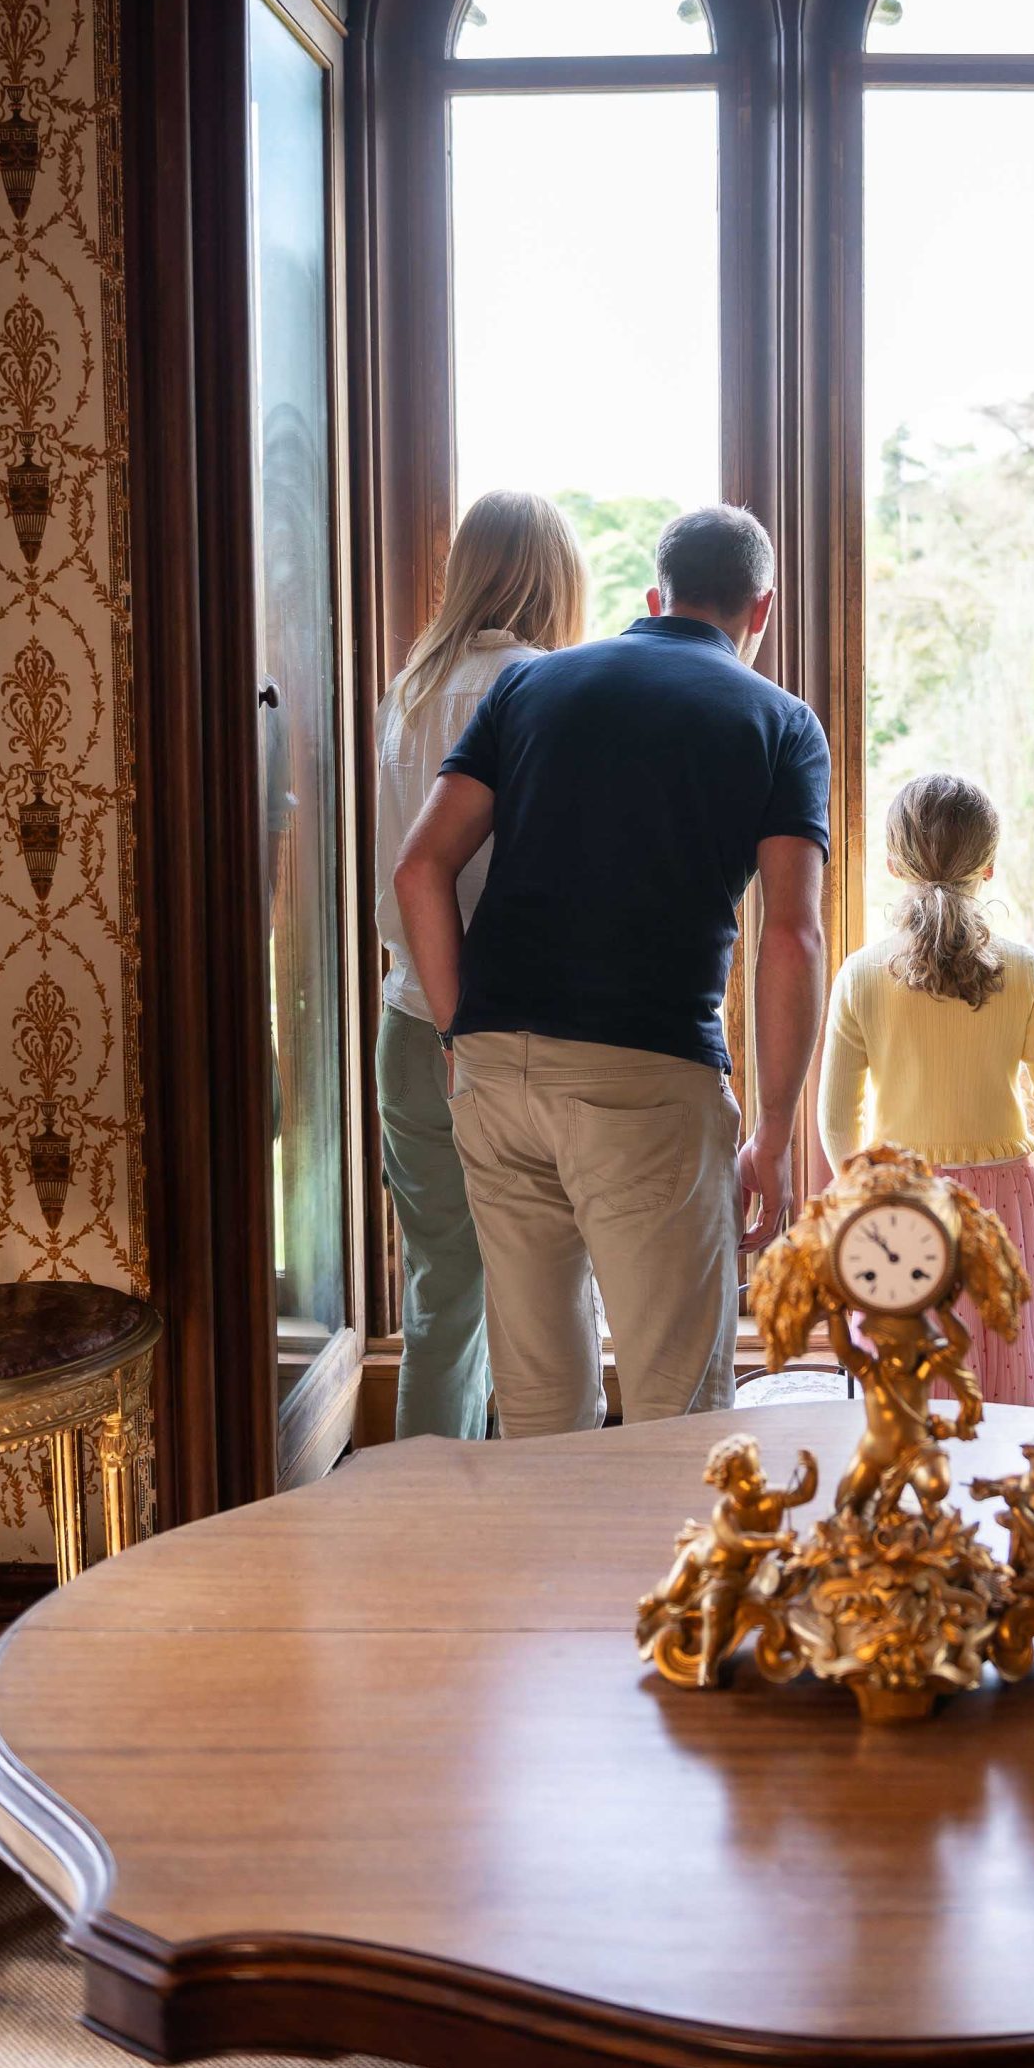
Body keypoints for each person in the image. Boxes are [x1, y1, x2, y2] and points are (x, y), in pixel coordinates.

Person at [394, 503, 829, 1437]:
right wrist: (780, 1129)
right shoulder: (781, 722)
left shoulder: (534, 686)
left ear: (652, 596)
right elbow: (791, 935)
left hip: (497, 1080)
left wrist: (456, 1033)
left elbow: (419, 866)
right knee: (679, 1419)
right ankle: (665, 1587)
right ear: (762, 611)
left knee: (541, 1410)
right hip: (645, 1081)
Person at [374, 490, 587, 1439]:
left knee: (440, 1302)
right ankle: (536, 1541)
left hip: (409, 1023)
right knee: (545, 1304)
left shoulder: (407, 692)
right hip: (513, 1034)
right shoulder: (546, 689)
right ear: (555, 580)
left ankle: (428, 1539)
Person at [817, 772, 1034, 1407]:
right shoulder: (1022, 971)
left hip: (899, 1200)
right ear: (988, 868)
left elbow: (835, 1118)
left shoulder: (860, 976)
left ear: (892, 864)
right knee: (1003, 1368)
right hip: (1004, 1202)